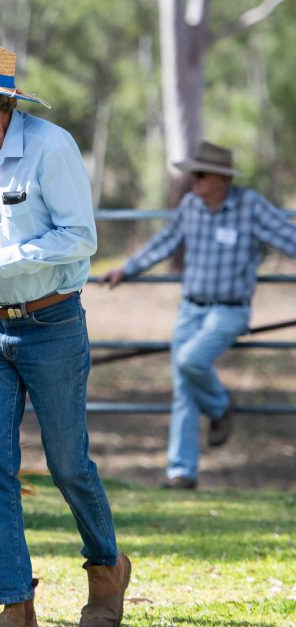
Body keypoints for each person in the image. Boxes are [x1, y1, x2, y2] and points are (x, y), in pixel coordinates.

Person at [0, 37, 130, 627]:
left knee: (68, 465)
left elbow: (79, 238)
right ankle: (16, 605)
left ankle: (107, 570)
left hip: (52, 327)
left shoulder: (51, 147)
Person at [100, 141, 296, 490]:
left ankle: (220, 407)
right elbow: (165, 242)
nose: (194, 180)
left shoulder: (248, 206)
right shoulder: (192, 205)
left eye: (201, 174)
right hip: (191, 307)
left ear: (222, 178)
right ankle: (181, 472)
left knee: (191, 361)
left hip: (229, 310)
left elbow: (287, 237)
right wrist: (127, 269)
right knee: (184, 389)